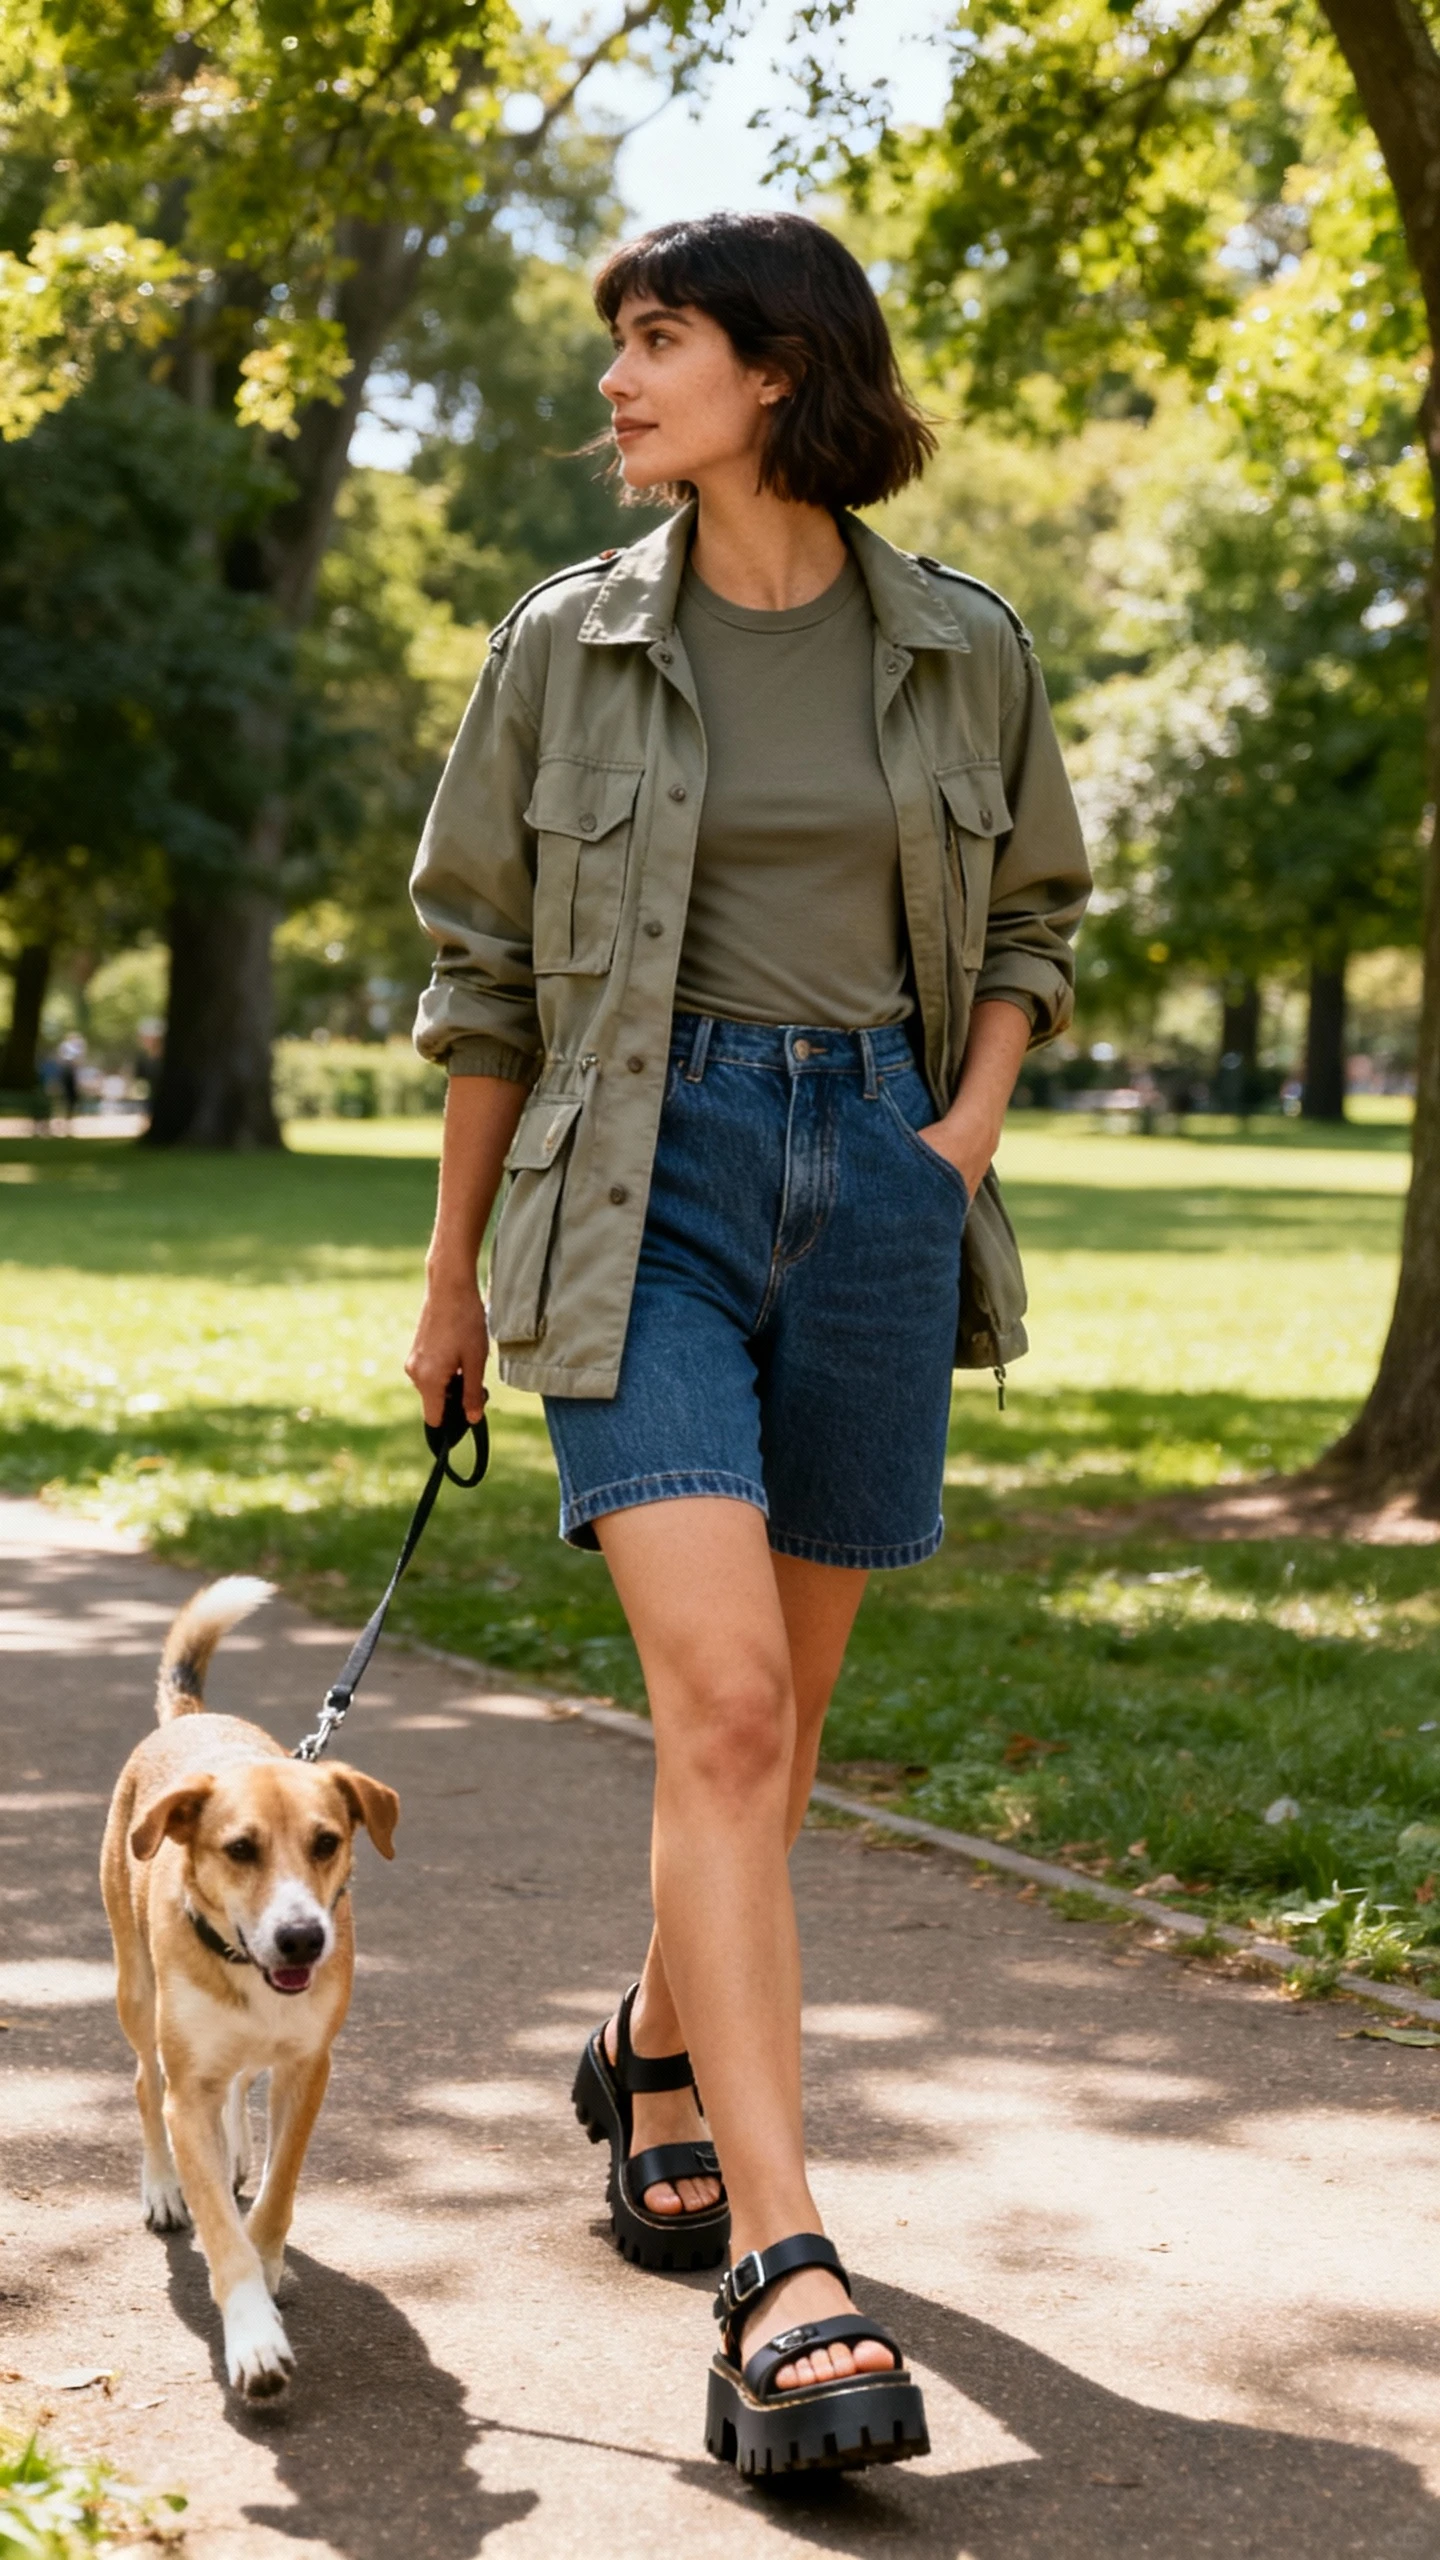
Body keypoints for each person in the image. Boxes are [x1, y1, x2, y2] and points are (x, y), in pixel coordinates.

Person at [406, 209, 1089, 2480]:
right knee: (717, 1701)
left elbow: (1034, 919)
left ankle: (656, 2046)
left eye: (658, 341)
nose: (618, 379)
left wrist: (958, 1140)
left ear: (780, 373)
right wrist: (446, 1280)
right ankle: (785, 2268)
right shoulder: (564, 645)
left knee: (776, 1742)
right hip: (641, 1188)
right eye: (620, 342)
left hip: (879, 1185)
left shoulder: (962, 646)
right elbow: (485, 979)